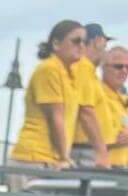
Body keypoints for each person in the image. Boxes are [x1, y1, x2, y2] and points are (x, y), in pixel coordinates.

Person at [12, 20, 90, 168]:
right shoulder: (49, 69)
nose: (81, 46)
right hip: (33, 158)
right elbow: (56, 117)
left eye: (84, 42)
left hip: (49, 158)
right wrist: (64, 157)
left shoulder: (69, 73)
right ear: (56, 44)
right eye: (76, 41)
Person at [72, 23, 113, 167]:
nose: (106, 50)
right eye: (105, 43)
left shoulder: (87, 69)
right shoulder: (83, 67)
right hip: (85, 151)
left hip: (88, 150)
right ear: (97, 41)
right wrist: (102, 152)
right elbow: (86, 112)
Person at [102, 44, 128, 168]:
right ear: (104, 67)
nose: (124, 71)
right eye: (118, 66)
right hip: (104, 170)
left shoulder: (124, 100)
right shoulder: (96, 95)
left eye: (127, 67)